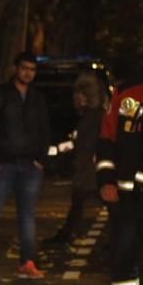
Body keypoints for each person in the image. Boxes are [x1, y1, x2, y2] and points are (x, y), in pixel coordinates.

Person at [86, 34, 143, 285]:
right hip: (130, 198)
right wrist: (106, 179)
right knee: (122, 261)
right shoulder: (128, 95)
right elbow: (106, 140)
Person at [0, 51, 51, 279]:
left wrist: (40, 159)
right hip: (4, 163)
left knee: (27, 214)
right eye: (24, 68)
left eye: (32, 69)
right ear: (15, 68)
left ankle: (27, 260)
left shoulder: (37, 98)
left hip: (30, 165)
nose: (27, 73)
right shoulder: (0, 95)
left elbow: (45, 129)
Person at [46, 72, 108, 244]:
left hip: (91, 166)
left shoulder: (96, 116)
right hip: (85, 165)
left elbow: (98, 140)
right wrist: (58, 149)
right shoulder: (89, 115)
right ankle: (67, 234)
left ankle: (67, 234)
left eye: (83, 94)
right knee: (80, 201)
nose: (79, 98)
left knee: (84, 199)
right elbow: (78, 140)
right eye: (78, 94)